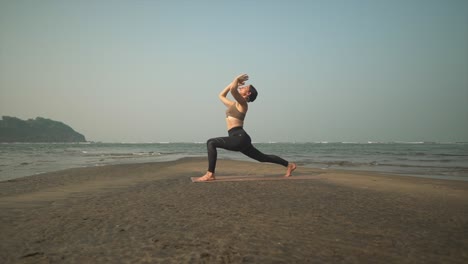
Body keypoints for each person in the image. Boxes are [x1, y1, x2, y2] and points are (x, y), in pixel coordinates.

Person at [195, 73, 296, 182]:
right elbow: (221, 95)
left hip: (239, 137)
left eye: (244, 87)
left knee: (211, 142)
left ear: (248, 93)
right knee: (262, 158)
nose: (241, 87)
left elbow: (233, 91)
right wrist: (234, 82)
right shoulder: (234, 105)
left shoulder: (243, 104)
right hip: (239, 137)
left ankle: (210, 174)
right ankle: (289, 165)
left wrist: (236, 79)